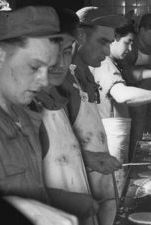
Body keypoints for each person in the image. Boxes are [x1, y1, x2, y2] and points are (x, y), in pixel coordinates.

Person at [0, 6, 79, 225]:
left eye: (48, 68)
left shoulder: (26, 116)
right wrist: (15, 208)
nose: (43, 81)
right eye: (34, 67)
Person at [88, 14, 151, 195]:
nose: (131, 49)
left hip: (120, 127)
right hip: (111, 131)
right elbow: (121, 94)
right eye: (127, 43)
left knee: (118, 184)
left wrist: (150, 73)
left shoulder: (116, 62)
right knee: (114, 189)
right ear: (113, 40)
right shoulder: (104, 62)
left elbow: (130, 75)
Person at [26, 8, 99, 224]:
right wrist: (68, 201)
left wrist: (91, 159)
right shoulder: (26, 110)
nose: (59, 63)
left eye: (67, 52)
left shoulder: (59, 101)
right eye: (51, 52)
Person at [57, 6, 122, 225]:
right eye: (103, 42)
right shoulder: (60, 82)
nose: (106, 52)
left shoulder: (85, 75)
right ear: (81, 36)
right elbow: (49, 151)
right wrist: (90, 158)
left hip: (100, 193)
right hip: (74, 199)